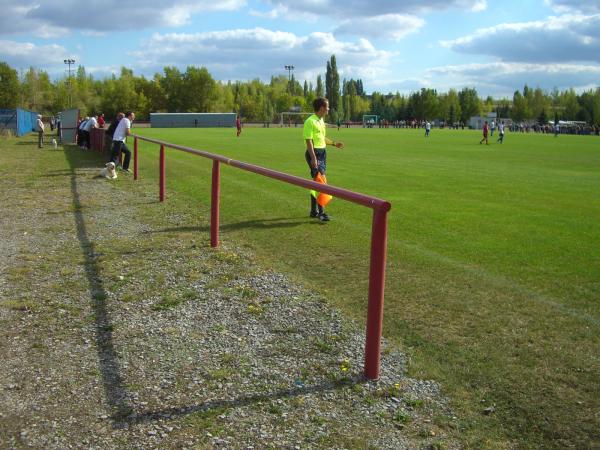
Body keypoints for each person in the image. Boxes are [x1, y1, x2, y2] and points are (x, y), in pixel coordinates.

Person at [303, 97, 344, 222]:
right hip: (314, 154)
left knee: (316, 183)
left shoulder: (321, 121)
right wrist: (314, 158)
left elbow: (321, 137)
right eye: (327, 106)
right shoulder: (310, 121)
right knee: (321, 182)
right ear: (321, 108)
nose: (328, 109)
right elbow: (308, 141)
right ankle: (321, 213)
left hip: (322, 153)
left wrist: (333, 143)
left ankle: (313, 211)